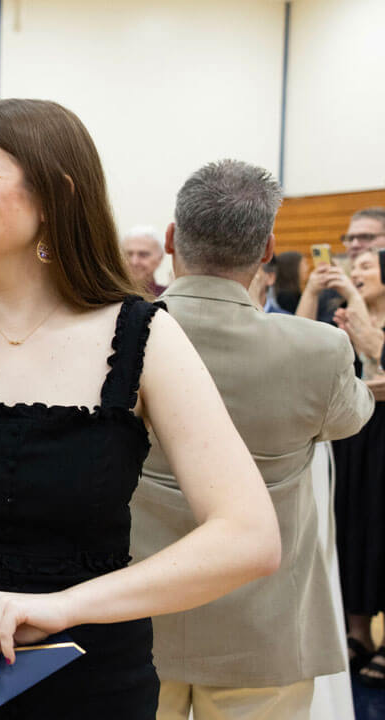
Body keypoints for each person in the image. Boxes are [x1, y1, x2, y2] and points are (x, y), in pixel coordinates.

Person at [0, 99, 280, 719]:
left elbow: (248, 537)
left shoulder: (144, 337)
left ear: (55, 193)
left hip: (92, 676)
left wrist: (63, 606)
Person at [130, 159, 371, 719]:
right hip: (265, 625)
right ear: (267, 251)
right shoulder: (319, 350)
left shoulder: (114, 334)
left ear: (170, 240)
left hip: (135, 615)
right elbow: (351, 418)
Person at [323, 247, 385, 687]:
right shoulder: (343, 316)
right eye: (355, 266)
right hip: (355, 433)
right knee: (353, 521)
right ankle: (357, 630)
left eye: (367, 266)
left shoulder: (367, 324)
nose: (357, 272)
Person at [297, 208, 385, 324]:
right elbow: (300, 335)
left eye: (366, 237)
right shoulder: (333, 289)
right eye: (350, 238)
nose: (354, 244)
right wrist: (311, 292)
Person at [121, 226, 167, 296]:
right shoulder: (109, 295)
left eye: (143, 255)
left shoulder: (167, 297)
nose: (134, 262)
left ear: (160, 258)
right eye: (128, 254)